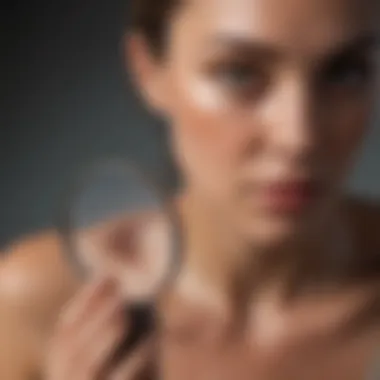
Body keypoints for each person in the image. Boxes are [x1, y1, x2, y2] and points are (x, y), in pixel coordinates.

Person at [1, 0, 380, 378]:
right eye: (240, 74)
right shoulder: (36, 305)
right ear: (148, 70)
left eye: (344, 72)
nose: (299, 136)